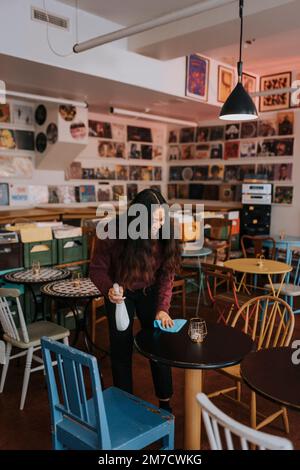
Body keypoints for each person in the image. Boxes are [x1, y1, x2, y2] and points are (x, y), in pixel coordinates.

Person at [90, 189, 181, 412]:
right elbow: (96, 270)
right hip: (120, 291)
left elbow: (167, 275)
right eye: (154, 220)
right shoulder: (112, 232)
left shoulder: (165, 233)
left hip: (149, 291)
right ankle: (124, 402)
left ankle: (165, 401)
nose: (160, 224)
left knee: (158, 343)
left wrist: (162, 308)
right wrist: (109, 289)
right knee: (121, 347)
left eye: (163, 218)